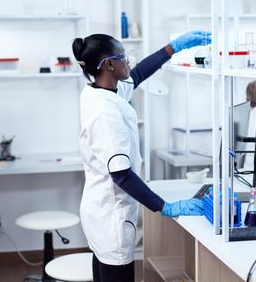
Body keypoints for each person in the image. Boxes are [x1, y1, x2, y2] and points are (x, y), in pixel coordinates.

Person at [73, 31, 208, 282]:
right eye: (123, 56)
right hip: (111, 217)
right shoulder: (105, 112)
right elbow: (122, 175)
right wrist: (165, 207)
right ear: (109, 64)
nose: (129, 60)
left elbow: (137, 75)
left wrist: (172, 48)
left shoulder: (98, 90)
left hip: (99, 210)